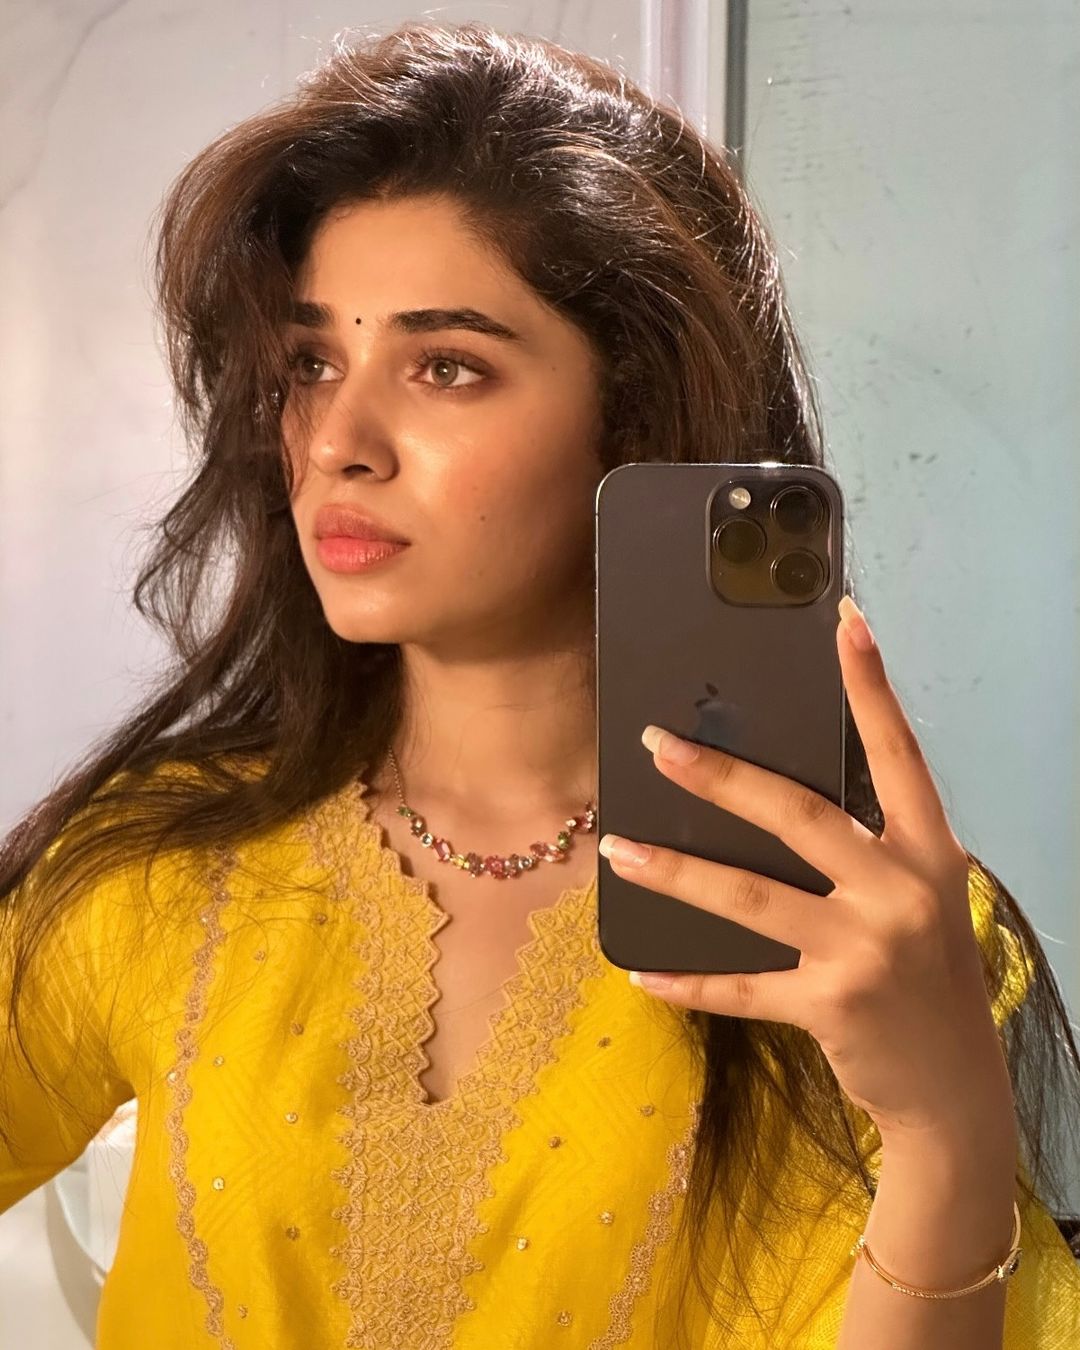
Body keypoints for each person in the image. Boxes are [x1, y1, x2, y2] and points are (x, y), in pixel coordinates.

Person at [2, 20, 1078, 1349]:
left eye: (445, 367)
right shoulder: (157, 869)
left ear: (632, 422)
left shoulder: (856, 935)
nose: (338, 442)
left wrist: (945, 1134)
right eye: (311, 364)